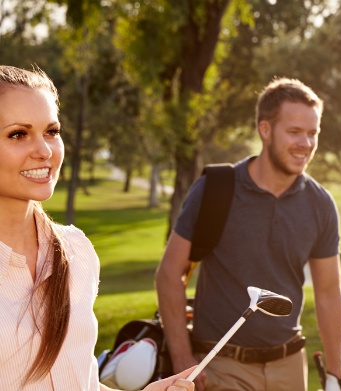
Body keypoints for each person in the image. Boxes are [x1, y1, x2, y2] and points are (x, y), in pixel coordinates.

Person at [0, 65, 195, 391]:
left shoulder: (78, 253)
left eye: (51, 131)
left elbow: (81, 381)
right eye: (18, 134)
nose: (45, 151)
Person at [156, 78, 341, 391]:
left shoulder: (320, 204)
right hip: (222, 366)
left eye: (313, 133)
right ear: (265, 130)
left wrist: (335, 377)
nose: (306, 143)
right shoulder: (216, 190)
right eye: (295, 132)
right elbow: (168, 274)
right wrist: (182, 359)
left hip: (289, 368)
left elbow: (327, 293)